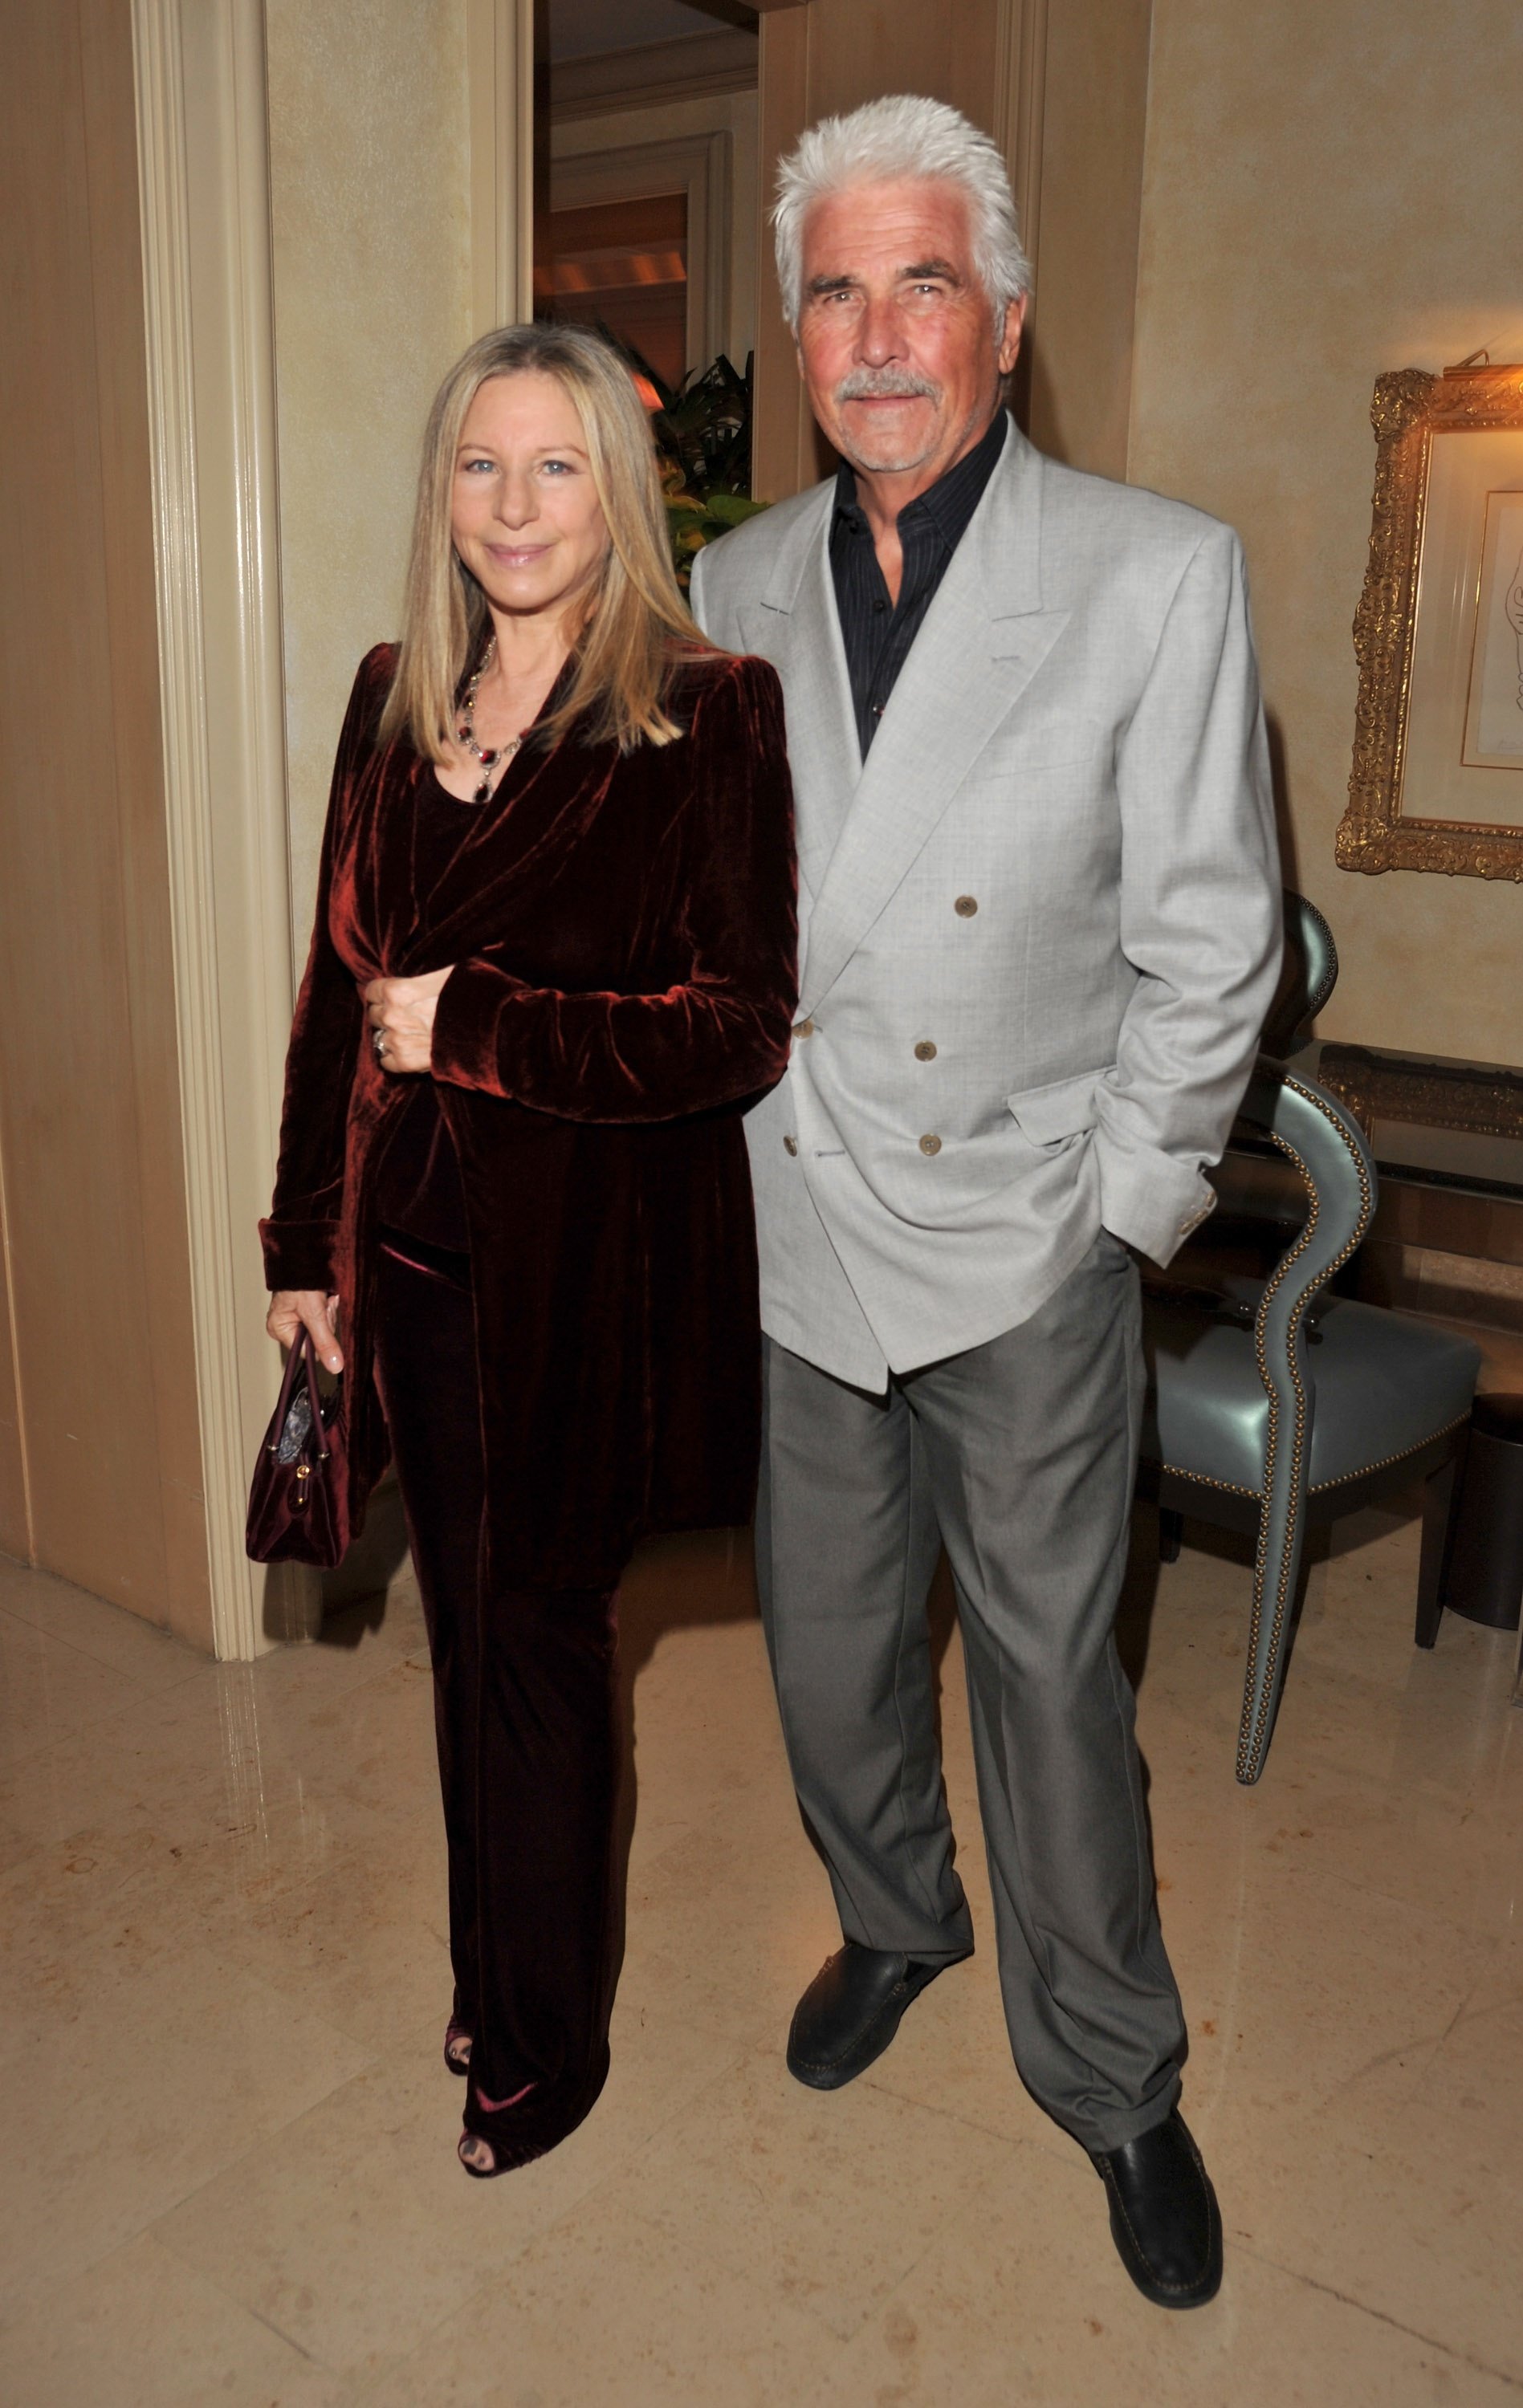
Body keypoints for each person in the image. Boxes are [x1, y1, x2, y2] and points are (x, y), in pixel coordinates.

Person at [690, 94, 1280, 2308]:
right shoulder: (732, 580)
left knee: (1047, 1687)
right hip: (795, 1231)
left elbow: (1211, 942)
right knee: (836, 1665)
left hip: (1021, 1236)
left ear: (1003, 320)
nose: (873, 334)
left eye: (917, 280)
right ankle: (890, 1920)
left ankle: (1117, 2078)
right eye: (832, 289)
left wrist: (1116, 1222)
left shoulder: (1151, 570)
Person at [263, 321, 796, 2178]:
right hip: (404, 1264)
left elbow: (735, 1023)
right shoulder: (396, 692)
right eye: (481, 467)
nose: (513, 505)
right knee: (458, 1638)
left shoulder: (703, 706)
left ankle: (543, 2047)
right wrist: (298, 1246)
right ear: (444, 492)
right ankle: (496, 1970)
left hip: (582, 1278)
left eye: (555, 465)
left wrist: (479, 1024)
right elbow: (339, 996)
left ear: (618, 490)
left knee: (543, 1650)